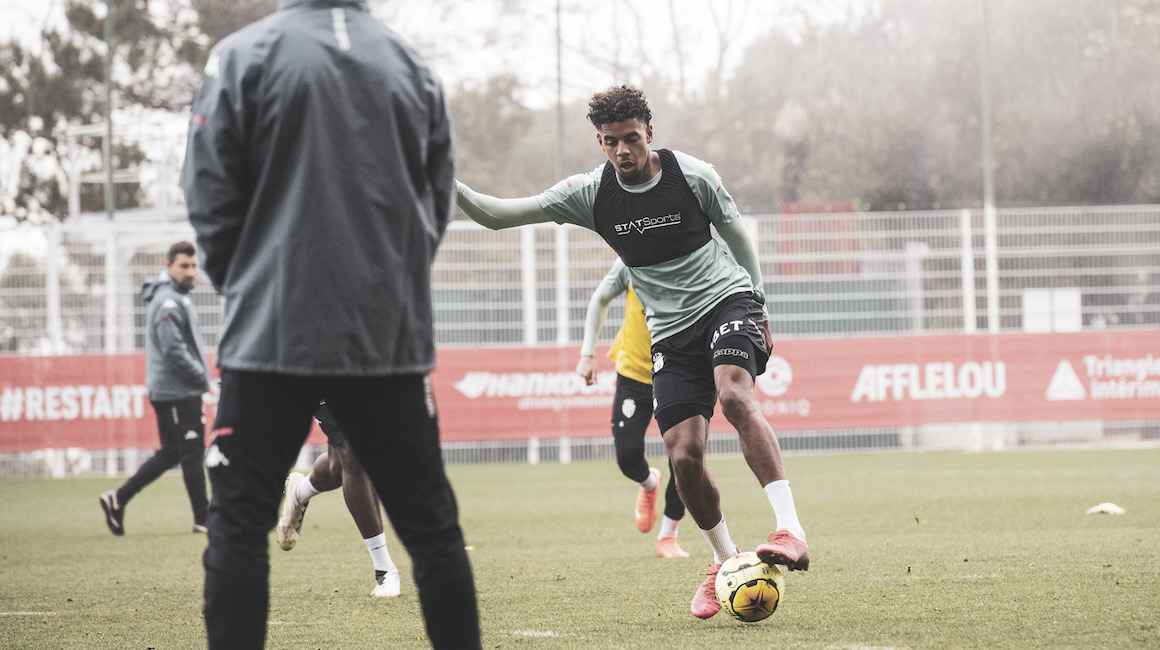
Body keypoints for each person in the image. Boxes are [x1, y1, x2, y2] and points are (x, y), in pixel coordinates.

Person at [180, 0, 480, 647]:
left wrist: (251, 284)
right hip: (384, 338)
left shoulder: (240, 56)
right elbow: (437, 200)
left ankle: (341, 530)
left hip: (271, 335)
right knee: (433, 531)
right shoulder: (411, 65)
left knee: (237, 528)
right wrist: (390, 286)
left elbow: (206, 190)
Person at [457, 84, 809, 620]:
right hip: (669, 333)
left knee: (735, 396)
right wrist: (443, 179)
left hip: (726, 300)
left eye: (631, 138)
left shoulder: (693, 175)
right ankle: (725, 561)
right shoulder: (589, 194)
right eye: (610, 141)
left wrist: (758, 302)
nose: (622, 150)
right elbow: (495, 215)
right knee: (683, 455)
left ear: (650, 133)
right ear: (600, 142)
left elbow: (737, 237)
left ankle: (790, 529)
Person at [576, 259, 688, 559]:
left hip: (680, 372)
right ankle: (649, 483)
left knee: (684, 460)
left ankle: (668, 536)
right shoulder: (630, 256)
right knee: (627, 456)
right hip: (634, 372)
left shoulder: (696, 256)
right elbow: (600, 298)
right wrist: (588, 353)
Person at [99, 240, 211, 536]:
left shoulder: (173, 297)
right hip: (179, 391)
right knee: (191, 452)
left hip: (175, 389)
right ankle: (203, 519)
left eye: (194, 265)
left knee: (172, 453)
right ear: (168, 266)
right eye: (184, 266)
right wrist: (200, 376)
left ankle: (118, 499)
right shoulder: (169, 301)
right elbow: (173, 348)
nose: (190, 271)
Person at [276, 403, 401, 598]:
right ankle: (384, 570)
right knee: (354, 453)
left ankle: (300, 491)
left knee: (338, 468)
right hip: (324, 384)